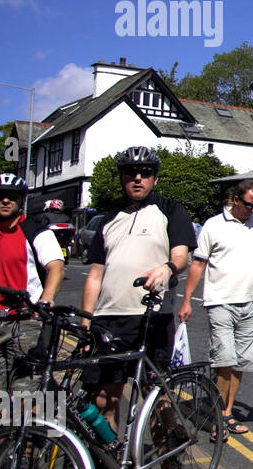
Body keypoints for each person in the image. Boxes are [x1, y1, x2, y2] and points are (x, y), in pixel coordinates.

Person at [80, 146, 195, 430]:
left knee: (156, 400)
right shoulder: (108, 220)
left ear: (154, 179)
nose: (138, 178)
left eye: (146, 173)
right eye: (131, 173)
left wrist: (167, 268)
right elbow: (95, 274)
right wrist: (86, 322)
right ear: (122, 178)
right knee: (105, 400)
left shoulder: (170, 210)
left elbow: (182, 256)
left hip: (152, 318)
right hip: (108, 321)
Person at [178, 180, 253, 437]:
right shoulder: (213, 225)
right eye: (248, 205)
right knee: (223, 361)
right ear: (234, 199)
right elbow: (198, 264)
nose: (252, 211)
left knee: (241, 363)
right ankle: (218, 415)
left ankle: (226, 412)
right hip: (220, 301)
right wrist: (187, 300)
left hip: (252, 302)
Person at [0, 174, 64, 380]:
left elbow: (56, 267)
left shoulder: (36, 232)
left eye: (12, 196)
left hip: (24, 323)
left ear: (22, 201)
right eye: (0, 196)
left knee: (23, 394)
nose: (6, 201)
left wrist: (46, 299)